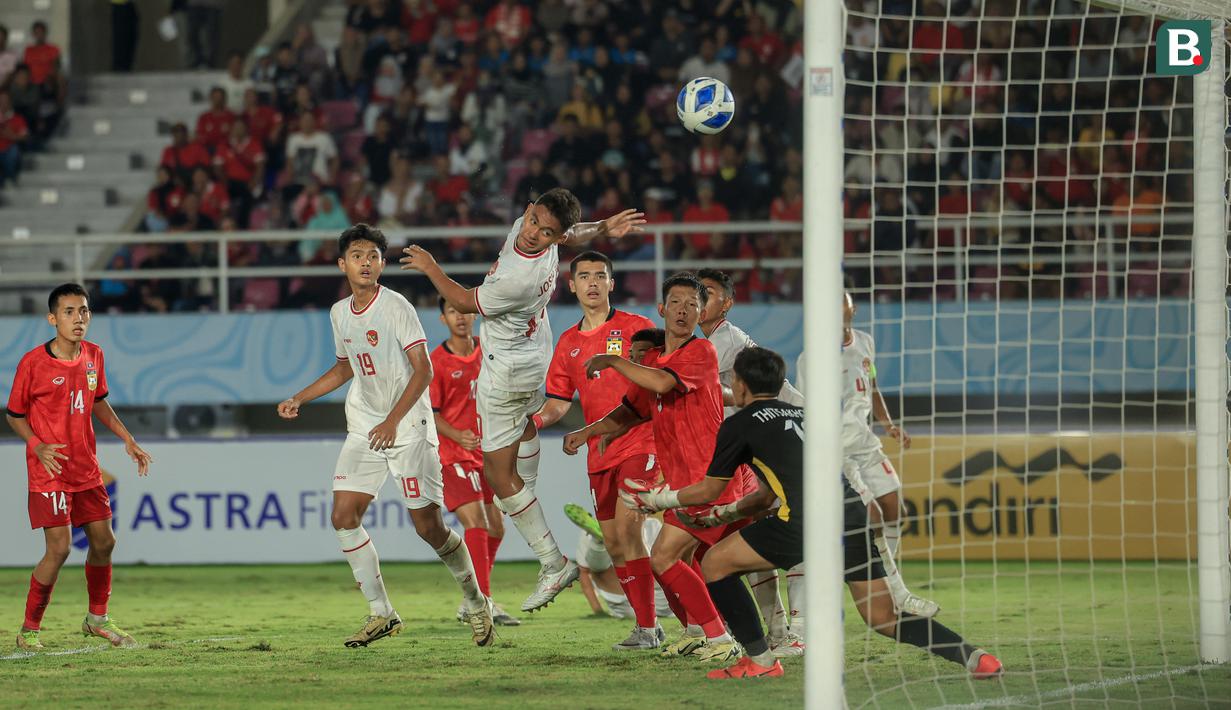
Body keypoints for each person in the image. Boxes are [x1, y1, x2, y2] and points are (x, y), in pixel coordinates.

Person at [623, 346, 1004, 681]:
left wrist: (658, 501)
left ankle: (760, 661)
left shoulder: (739, 423)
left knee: (716, 565)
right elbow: (765, 495)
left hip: (804, 522)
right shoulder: (805, 415)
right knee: (882, 617)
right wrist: (718, 518)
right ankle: (974, 657)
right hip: (851, 515)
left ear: (739, 384)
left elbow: (709, 489)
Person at [399, 188, 645, 613]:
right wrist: (602, 228)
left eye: (547, 233)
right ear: (529, 211)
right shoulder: (535, 232)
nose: (534, 234)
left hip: (506, 371)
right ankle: (525, 491)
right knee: (525, 430)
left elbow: (461, 300)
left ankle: (553, 562)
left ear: (555, 235)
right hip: (535, 355)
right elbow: (574, 235)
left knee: (497, 477)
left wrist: (430, 266)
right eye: (534, 222)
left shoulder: (519, 279)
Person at [277, 224, 495, 648]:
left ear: (381, 264)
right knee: (343, 516)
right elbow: (345, 368)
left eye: (373, 256)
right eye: (357, 255)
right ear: (342, 264)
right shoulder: (339, 313)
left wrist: (394, 420)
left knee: (428, 528)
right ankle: (382, 613)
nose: (366, 262)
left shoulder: (396, 307)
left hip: (408, 428)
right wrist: (299, 397)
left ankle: (476, 601)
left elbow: (424, 369)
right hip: (364, 425)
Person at [563, 273, 744, 662]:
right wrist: (588, 432)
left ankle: (721, 637)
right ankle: (701, 631)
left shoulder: (700, 353)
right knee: (679, 561)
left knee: (666, 558)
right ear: (662, 309)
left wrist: (613, 359)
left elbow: (662, 385)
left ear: (701, 312)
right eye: (676, 303)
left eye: (692, 304)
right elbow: (631, 411)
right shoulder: (656, 360)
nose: (683, 310)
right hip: (687, 482)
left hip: (708, 478)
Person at [6, 283, 154, 651]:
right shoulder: (32, 362)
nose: (78, 318)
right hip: (50, 470)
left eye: (84, 311)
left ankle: (97, 619)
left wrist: (127, 438)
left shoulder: (94, 355)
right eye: (69, 312)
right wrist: (37, 446)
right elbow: (14, 415)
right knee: (59, 549)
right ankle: (29, 630)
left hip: (85, 468)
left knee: (105, 542)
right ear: (52, 319)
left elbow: (98, 402)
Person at [536, 251, 662, 650]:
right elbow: (558, 402)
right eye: (584, 276)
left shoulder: (637, 329)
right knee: (613, 544)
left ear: (612, 283)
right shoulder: (569, 343)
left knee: (629, 529)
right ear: (570, 285)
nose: (592, 282)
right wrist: (532, 423)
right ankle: (649, 626)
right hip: (598, 453)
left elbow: (660, 381)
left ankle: (658, 625)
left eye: (600, 276)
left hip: (641, 442)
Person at [697, 268, 805, 656]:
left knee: (792, 532)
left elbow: (713, 391)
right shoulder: (710, 341)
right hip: (763, 442)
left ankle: (797, 629)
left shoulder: (723, 339)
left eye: (705, 293)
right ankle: (780, 633)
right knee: (762, 536)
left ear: (726, 303)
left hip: (787, 434)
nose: (697, 299)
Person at [840, 291, 938, 617]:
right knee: (874, 519)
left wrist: (889, 425)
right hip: (839, 451)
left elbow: (872, 387)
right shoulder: (812, 357)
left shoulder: (865, 341)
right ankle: (897, 593)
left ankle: (886, 579)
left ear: (852, 308)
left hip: (866, 443)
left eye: (843, 301)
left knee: (896, 509)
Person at [429, 298, 520, 627]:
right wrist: (456, 434)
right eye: (453, 312)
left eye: (465, 310)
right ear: (443, 318)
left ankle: (472, 600)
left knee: (497, 527)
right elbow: (431, 413)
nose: (462, 317)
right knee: (478, 523)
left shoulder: (490, 350)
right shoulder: (437, 361)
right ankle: (484, 604)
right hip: (452, 455)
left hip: (489, 453)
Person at [566, 504, 674, 622]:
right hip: (659, 598)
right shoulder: (654, 525)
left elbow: (584, 573)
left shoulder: (587, 530)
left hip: (621, 599)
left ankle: (598, 544)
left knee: (599, 571)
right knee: (657, 562)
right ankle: (612, 545)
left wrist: (598, 611)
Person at [111, 0, 139, 72]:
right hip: (121, 4)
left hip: (128, 5)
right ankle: (120, 67)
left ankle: (124, 66)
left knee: (130, 37)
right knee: (122, 38)